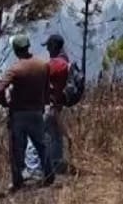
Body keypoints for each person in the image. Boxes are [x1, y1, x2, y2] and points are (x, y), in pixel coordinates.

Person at [0, 34, 54, 191]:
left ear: (15, 50)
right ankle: (49, 175)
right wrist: (44, 103)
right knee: (41, 145)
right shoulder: (43, 65)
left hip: (19, 114)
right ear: (28, 47)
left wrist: (5, 103)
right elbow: (47, 88)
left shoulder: (15, 69)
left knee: (17, 150)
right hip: (36, 112)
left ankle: (17, 181)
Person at [43, 33, 73, 174]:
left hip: (50, 106)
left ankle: (47, 168)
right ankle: (57, 165)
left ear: (54, 46)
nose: (48, 50)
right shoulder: (65, 63)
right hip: (58, 106)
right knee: (56, 136)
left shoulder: (55, 64)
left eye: (49, 47)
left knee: (45, 136)